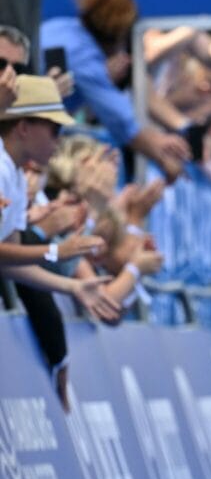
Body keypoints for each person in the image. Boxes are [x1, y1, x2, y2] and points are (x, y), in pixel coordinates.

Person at [0, 76, 123, 410]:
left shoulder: (9, 172)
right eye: (54, 129)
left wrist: (72, 288)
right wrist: (54, 250)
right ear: (24, 127)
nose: (59, 140)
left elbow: (9, 263)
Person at [40, 0, 192, 182]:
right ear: (120, 33)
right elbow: (123, 123)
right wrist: (161, 152)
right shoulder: (84, 57)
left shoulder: (61, 27)